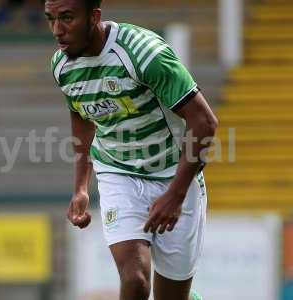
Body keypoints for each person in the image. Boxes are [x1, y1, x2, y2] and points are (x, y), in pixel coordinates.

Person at [45, 0, 218, 299]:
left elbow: (204, 123)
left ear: (94, 17)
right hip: (117, 173)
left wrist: (175, 196)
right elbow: (81, 115)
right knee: (135, 280)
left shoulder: (144, 53)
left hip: (174, 177)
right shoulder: (62, 66)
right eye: (51, 19)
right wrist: (81, 187)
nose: (57, 30)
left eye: (67, 18)